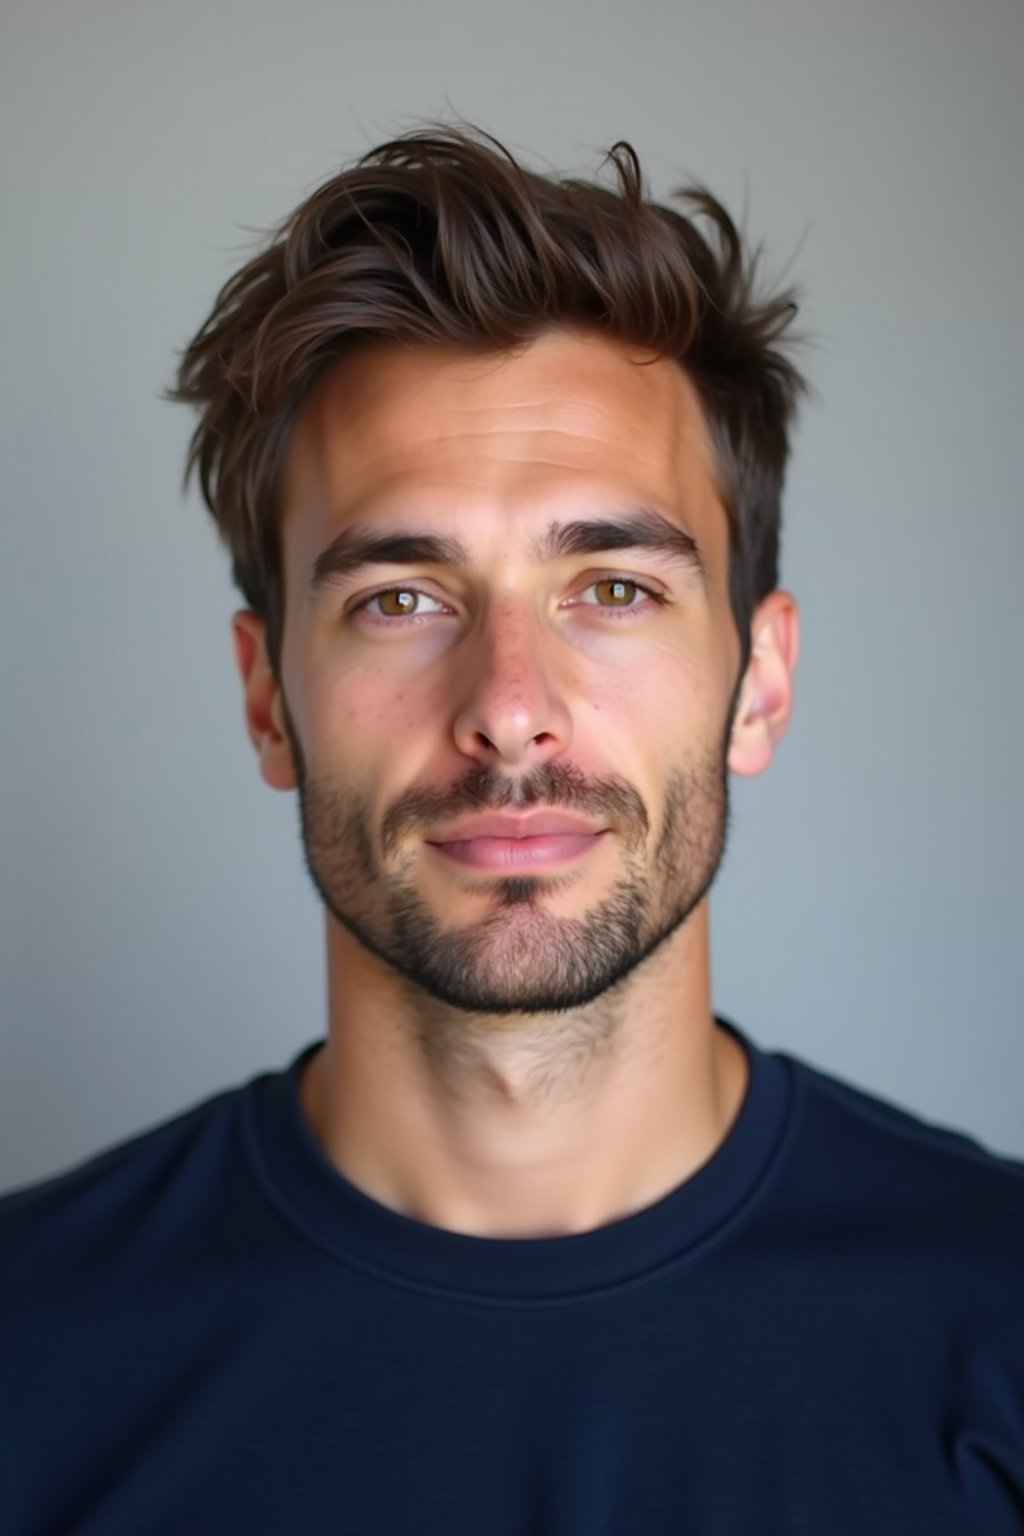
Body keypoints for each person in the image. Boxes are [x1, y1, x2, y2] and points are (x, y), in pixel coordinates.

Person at [2, 124, 1022, 1536]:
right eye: (400, 600)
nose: (510, 711)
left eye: (613, 588)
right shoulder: (29, 1362)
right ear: (268, 701)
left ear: (761, 682)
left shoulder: (997, 1332)